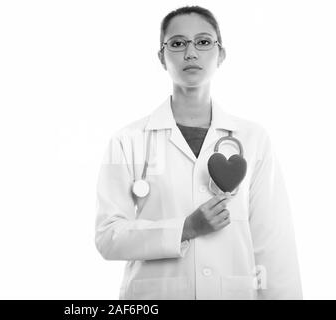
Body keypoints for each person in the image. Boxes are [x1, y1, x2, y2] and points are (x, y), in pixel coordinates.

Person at [95, 5, 302, 300]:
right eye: (177, 43)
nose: (190, 53)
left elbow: (274, 243)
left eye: (203, 42)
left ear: (221, 54)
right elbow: (108, 237)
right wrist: (185, 228)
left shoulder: (254, 139)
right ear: (161, 57)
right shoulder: (128, 140)